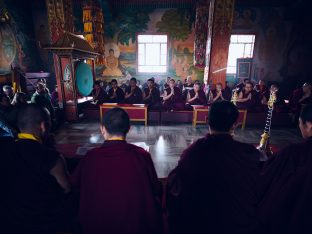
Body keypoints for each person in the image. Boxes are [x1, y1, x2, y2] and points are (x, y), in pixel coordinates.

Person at [167, 101, 261, 234]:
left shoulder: (194, 151)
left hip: (200, 224)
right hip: (238, 224)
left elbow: (177, 186)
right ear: (235, 124)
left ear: (207, 120)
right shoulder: (248, 153)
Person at [70, 108, 163, 234]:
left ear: (102, 129)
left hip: (97, 225)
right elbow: (156, 189)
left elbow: (74, 186)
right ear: (128, 129)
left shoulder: (91, 157)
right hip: (135, 226)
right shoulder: (141, 155)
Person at [5, 104, 71, 233]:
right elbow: (66, 189)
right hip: (43, 224)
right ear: (43, 126)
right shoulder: (52, 158)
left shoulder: (4, 149)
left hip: (8, 223)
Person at [258, 104, 312, 234]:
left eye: (300, 123)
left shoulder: (294, 153)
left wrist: (267, 160)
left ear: (309, 125)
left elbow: (266, 177)